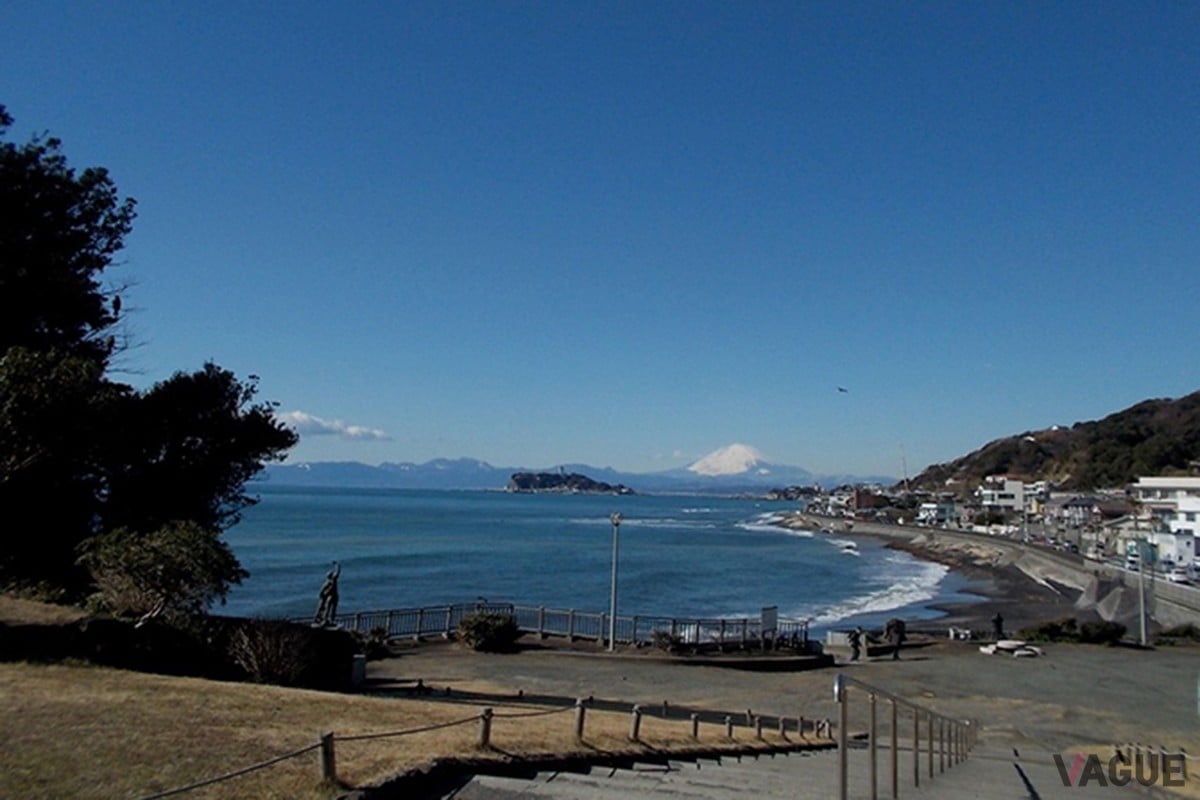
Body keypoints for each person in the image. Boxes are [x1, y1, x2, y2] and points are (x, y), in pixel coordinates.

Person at [314, 561, 341, 626]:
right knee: (329, 609)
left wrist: (336, 565)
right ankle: (326, 619)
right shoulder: (330, 581)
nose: (333, 575)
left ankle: (328, 620)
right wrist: (337, 565)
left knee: (331, 609)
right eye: (332, 574)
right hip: (332, 596)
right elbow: (338, 571)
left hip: (334, 596)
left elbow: (337, 572)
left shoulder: (331, 580)